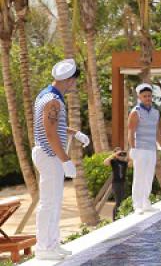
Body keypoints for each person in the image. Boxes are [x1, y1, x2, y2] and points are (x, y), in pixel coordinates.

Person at [32, 59, 91, 261]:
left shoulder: (48, 95)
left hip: (50, 154)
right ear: (69, 80)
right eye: (74, 81)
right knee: (49, 202)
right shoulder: (53, 100)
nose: (75, 85)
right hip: (50, 155)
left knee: (54, 201)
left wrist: (74, 133)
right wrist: (65, 160)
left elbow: (54, 126)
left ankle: (52, 244)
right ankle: (43, 247)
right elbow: (49, 133)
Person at [127, 83, 161, 215]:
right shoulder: (135, 112)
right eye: (144, 96)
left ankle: (145, 202)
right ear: (139, 97)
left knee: (149, 177)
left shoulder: (156, 112)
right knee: (139, 177)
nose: (147, 98)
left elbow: (156, 131)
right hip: (139, 149)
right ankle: (137, 205)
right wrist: (132, 149)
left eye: (149, 96)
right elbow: (130, 132)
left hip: (151, 150)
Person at [103, 148, 130, 220]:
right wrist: (114, 154)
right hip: (116, 184)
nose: (121, 156)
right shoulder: (113, 162)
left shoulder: (124, 163)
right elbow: (105, 162)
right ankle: (114, 219)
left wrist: (128, 155)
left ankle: (120, 216)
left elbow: (132, 164)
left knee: (122, 201)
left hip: (123, 183)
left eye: (122, 154)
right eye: (119, 154)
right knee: (118, 202)